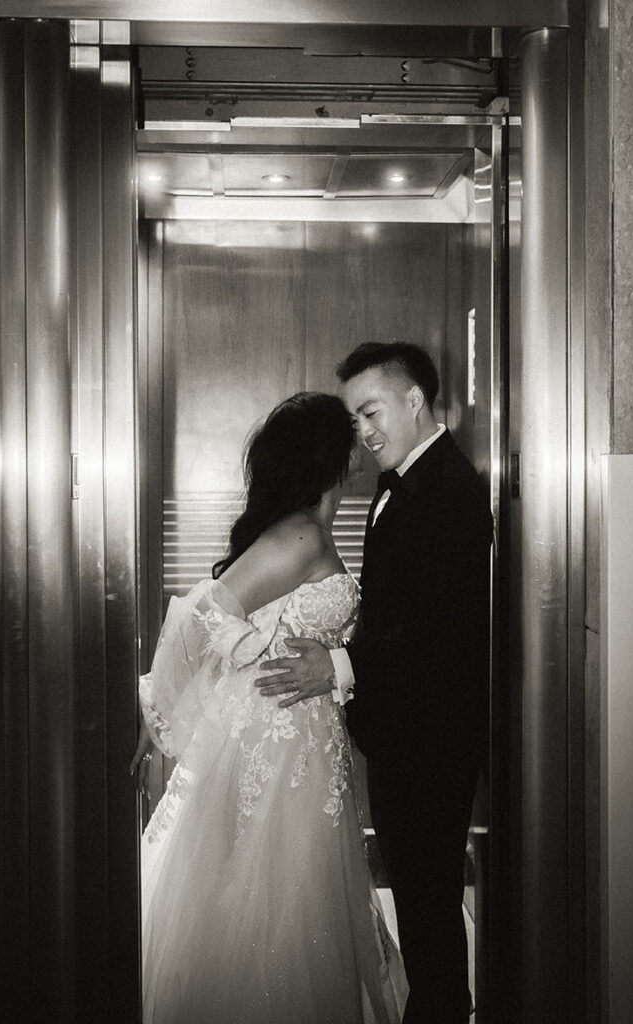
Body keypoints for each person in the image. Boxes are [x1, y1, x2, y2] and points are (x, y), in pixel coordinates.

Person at [130, 392, 407, 1024]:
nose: (360, 444)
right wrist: (239, 656)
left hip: (307, 733)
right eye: (349, 435)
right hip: (278, 739)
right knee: (277, 896)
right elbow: (208, 609)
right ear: (329, 458)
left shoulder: (311, 528)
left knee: (298, 896)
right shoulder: (303, 533)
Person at [257, 344, 493, 1024]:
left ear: (414, 399)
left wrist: (338, 667)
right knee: (421, 908)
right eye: (356, 418)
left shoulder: (450, 490)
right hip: (399, 739)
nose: (363, 432)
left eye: (371, 411)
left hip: (431, 744)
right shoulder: (400, 483)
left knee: (429, 911)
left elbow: (441, 632)